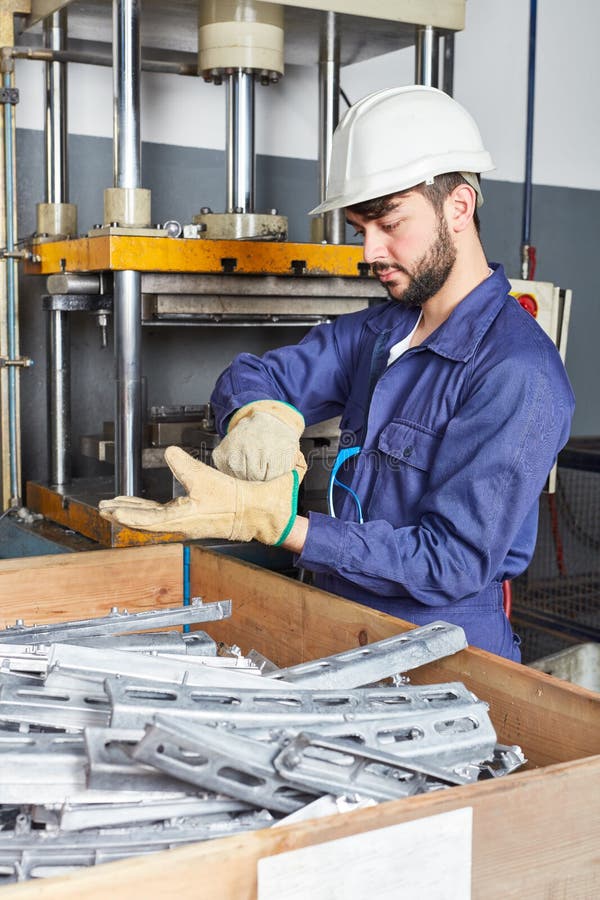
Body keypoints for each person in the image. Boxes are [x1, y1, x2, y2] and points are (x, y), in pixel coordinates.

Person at [100, 86, 574, 661]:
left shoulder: (518, 373)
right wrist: (259, 415)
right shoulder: (379, 334)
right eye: (359, 229)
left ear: (459, 208)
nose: (370, 252)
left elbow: (450, 562)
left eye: (389, 224)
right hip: (335, 625)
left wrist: (280, 526)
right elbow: (254, 374)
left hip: (441, 654)